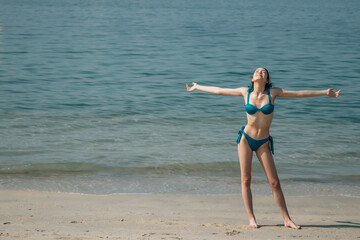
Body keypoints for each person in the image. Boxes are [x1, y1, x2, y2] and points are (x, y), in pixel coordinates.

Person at [186, 68, 341, 229]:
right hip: (246, 139)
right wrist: (198, 87)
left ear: (266, 79)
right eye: (257, 71)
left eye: (263, 72)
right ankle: (252, 218)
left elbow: (299, 93)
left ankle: (287, 220)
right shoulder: (244, 92)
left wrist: (324, 92)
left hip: (263, 143)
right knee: (246, 180)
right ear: (252, 78)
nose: (260, 72)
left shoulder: (273, 93)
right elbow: (219, 90)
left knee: (275, 183)